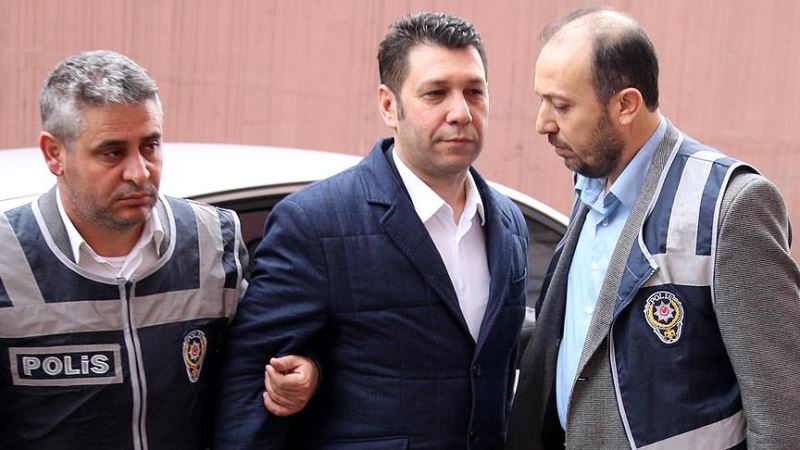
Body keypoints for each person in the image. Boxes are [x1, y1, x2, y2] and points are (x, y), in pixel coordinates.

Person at [214, 12, 529, 450]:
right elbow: (251, 383)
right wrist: (312, 371)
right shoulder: (316, 222)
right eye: (436, 93)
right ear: (388, 105)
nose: (460, 112)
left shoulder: (509, 224)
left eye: (474, 92)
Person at [507, 5, 800, 449]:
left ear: (626, 105)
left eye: (562, 105)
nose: (542, 123)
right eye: (542, 100)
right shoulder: (592, 184)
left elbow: (783, 413)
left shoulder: (731, 205)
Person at [0, 50, 316, 449]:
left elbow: (262, 358)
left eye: (150, 146)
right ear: (53, 154)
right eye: (112, 152)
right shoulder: (6, 257)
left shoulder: (213, 240)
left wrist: (304, 371)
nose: (139, 172)